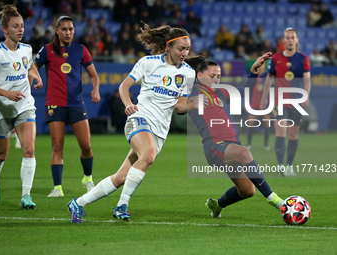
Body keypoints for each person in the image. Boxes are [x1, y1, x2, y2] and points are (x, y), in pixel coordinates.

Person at [67, 23, 195, 223]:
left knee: (121, 177)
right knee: (149, 155)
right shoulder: (148, 63)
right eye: (181, 48)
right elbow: (124, 86)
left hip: (160, 131)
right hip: (139, 118)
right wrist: (128, 104)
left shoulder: (188, 73)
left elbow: (179, 107)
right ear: (168, 46)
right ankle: (122, 205)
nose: (184, 53)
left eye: (187, 49)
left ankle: (79, 203)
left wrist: (193, 103)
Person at [186, 52, 284, 218]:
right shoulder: (191, 92)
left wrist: (253, 72)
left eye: (218, 76)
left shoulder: (220, 92)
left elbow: (244, 91)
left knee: (247, 190)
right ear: (199, 75)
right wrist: (190, 103)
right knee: (245, 153)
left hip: (231, 145)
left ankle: (217, 206)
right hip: (215, 146)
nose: (216, 79)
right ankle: (277, 202)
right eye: (212, 76)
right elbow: (179, 106)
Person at [34, 16, 100, 197]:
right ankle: (57, 188)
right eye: (64, 29)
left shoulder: (81, 50)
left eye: (71, 29)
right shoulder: (47, 50)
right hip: (54, 103)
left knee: (86, 145)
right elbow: (33, 66)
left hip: (76, 103)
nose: (68, 32)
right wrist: (37, 78)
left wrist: (95, 90)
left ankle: (87, 178)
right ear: (57, 31)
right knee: (57, 146)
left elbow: (94, 75)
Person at [0, 4, 43, 207]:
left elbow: (29, 66)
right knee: (1, 155)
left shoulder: (27, 49)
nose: (21, 29)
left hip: (24, 106)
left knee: (30, 150)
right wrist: (7, 93)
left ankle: (26, 196)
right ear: (5, 30)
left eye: (22, 25)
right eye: (16, 26)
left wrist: (37, 76)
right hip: (1, 109)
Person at [260, 28, 311, 177]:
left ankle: (289, 166)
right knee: (280, 131)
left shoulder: (303, 58)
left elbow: (307, 79)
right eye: (287, 38)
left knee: (294, 134)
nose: (290, 40)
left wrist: (306, 95)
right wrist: (264, 97)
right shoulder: (276, 58)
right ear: (283, 41)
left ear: (297, 40)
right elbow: (269, 78)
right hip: (279, 100)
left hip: (296, 101)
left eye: (292, 38)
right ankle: (281, 165)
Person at [246, 61, 271, 151]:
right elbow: (248, 91)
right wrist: (246, 103)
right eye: (260, 65)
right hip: (254, 104)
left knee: (267, 123)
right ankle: (248, 144)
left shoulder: (268, 77)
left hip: (265, 105)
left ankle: (266, 144)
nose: (261, 67)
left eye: (262, 65)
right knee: (250, 123)